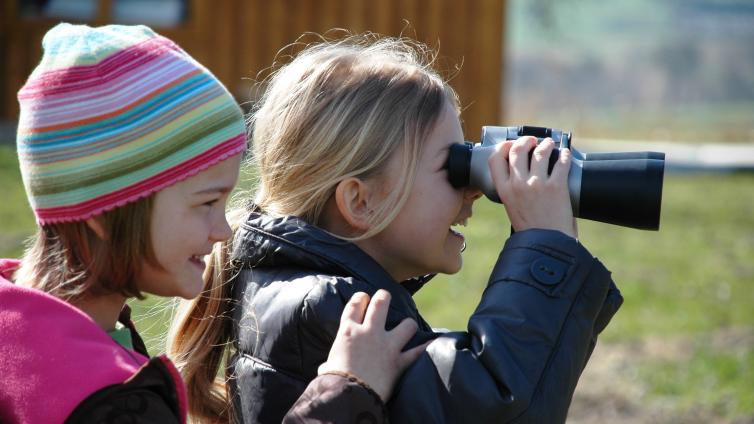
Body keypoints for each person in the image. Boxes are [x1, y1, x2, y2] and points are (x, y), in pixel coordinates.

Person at [167, 32, 624, 424]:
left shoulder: (292, 290)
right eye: (453, 168)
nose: (472, 192)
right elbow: (495, 406)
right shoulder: (332, 309)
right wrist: (545, 245)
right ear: (360, 201)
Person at [0, 24, 424, 424]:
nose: (222, 230)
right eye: (205, 203)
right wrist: (347, 389)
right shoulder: (109, 398)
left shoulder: (22, 325)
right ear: (102, 215)